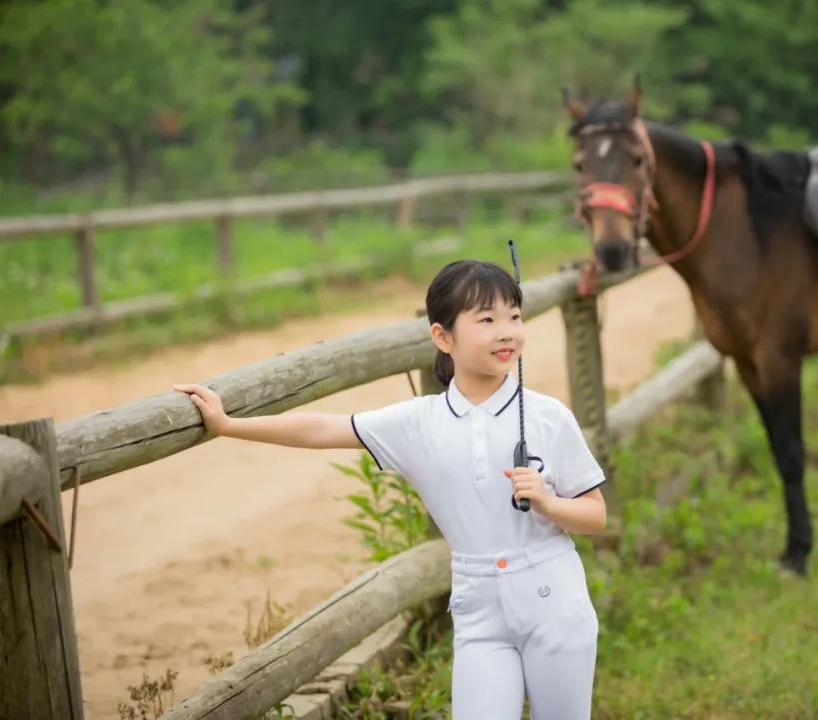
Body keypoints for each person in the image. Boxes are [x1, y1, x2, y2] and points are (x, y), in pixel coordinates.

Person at [173, 259, 607, 719]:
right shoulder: (418, 422)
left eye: (514, 317)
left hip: (553, 599)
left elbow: (595, 515)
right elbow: (322, 429)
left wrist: (548, 500)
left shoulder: (547, 416)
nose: (507, 332)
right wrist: (228, 424)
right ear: (443, 337)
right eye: (487, 319)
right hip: (478, 606)